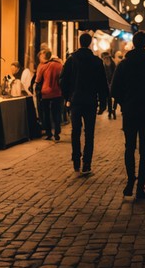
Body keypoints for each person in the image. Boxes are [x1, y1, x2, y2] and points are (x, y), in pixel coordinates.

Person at [109, 31, 145, 200]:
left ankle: (130, 181)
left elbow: (114, 89)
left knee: (129, 147)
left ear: (133, 44)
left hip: (130, 111)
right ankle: (141, 186)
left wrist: (124, 103)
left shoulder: (124, 65)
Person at [60, 34, 109, 174]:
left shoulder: (71, 60)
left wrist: (67, 96)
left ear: (79, 42)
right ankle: (87, 163)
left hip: (75, 101)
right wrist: (103, 102)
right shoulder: (96, 61)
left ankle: (76, 159)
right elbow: (102, 83)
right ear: (89, 43)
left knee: (75, 131)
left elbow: (62, 80)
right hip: (90, 101)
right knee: (89, 133)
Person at [35, 49, 64, 141]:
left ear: (44, 56)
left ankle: (48, 133)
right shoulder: (59, 64)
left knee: (46, 114)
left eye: (40, 56)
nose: (39, 58)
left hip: (46, 93)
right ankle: (57, 132)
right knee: (57, 113)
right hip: (58, 93)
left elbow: (38, 79)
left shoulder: (42, 66)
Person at [101, 52, 117, 119]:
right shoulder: (103, 64)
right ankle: (110, 111)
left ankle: (113, 109)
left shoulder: (112, 63)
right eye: (104, 58)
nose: (106, 59)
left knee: (115, 97)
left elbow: (115, 73)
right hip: (107, 83)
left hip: (112, 82)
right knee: (109, 98)